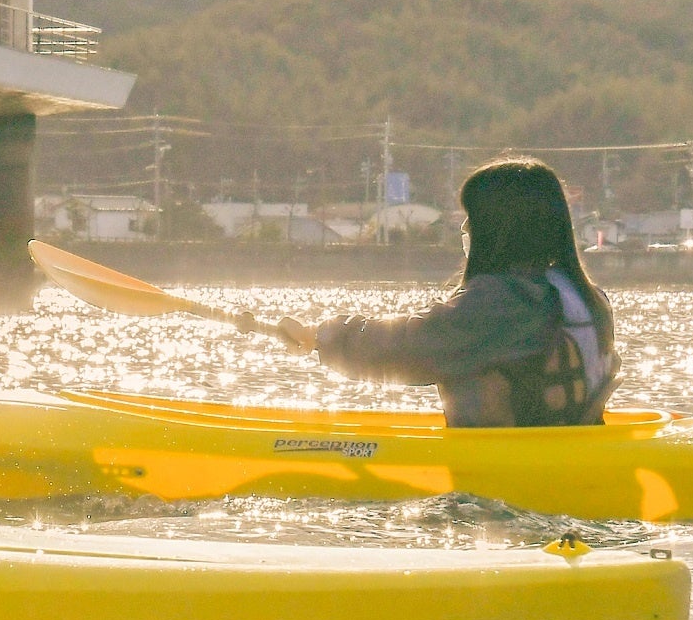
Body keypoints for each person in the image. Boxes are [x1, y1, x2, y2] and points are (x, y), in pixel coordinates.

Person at [263, 157, 618, 426]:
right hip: (570, 452)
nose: (465, 226)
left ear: (502, 227)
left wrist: (323, 336)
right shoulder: (587, 297)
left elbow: (412, 345)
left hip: (504, 473)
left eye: (473, 217)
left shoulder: (503, 302)